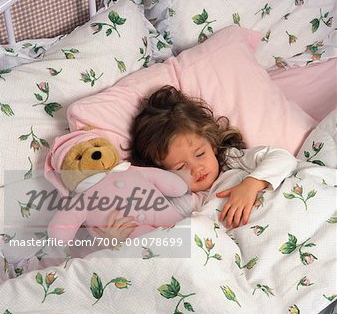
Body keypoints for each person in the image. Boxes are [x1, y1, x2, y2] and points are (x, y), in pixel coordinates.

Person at [96, 85, 297, 242]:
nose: (195, 168)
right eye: (180, 167)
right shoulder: (183, 202)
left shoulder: (232, 160)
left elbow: (283, 158)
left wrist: (251, 184)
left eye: (200, 154)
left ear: (211, 142)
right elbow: (163, 238)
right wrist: (117, 237)